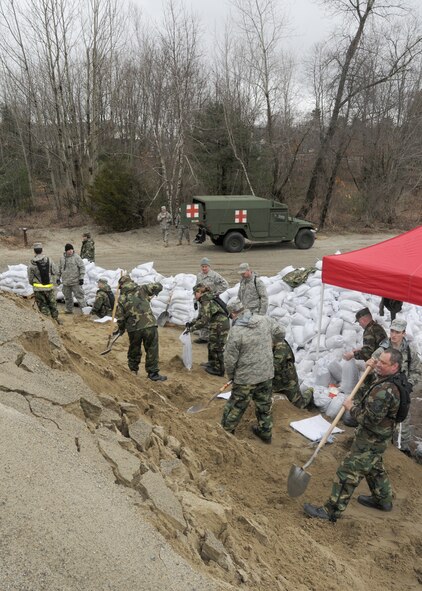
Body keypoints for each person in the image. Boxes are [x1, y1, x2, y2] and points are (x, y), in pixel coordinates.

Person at [304, 348, 408, 521]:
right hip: (380, 436)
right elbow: (369, 393)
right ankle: (383, 500)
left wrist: (351, 407)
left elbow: (369, 419)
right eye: (379, 360)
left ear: (394, 366)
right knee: (374, 467)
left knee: (347, 471)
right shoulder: (390, 380)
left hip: (372, 438)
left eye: (383, 363)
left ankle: (331, 511)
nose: (378, 364)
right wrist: (370, 372)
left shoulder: (386, 390)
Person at [221, 298, 284, 443]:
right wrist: (273, 342)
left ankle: (225, 435)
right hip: (266, 374)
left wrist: (231, 376)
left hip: (245, 378)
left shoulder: (236, 332)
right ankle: (265, 432)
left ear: (232, 314)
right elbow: (281, 332)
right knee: (264, 404)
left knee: (236, 406)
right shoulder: (265, 320)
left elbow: (230, 359)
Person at [371, 318, 422, 455]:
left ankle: (401, 449)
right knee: (380, 417)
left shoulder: (410, 350)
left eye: (397, 332)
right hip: (384, 389)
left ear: (404, 333)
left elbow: (417, 371)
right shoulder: (384, 348)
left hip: (403, 391)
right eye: (392, 331)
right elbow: (374, 363)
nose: (393, 335)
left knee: (402, 420)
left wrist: (408, 385)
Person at [116, 275, 167, 381]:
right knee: (152, 348)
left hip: (133, 328)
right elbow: (159, 286)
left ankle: (133, 371)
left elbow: (120, 318)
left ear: (121, 286)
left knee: (134, 349)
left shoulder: (122, 298)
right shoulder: (143, 289)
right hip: (149, 325)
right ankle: (153, 374)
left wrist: (121, 329)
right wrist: (154, 292)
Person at [185, 283, 230, 376]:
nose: (194, 296)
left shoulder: (206, 300)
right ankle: (212, 363)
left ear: (199, 292)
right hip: (216, 324)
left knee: (217, 346)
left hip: (220, 325)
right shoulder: (204, 299)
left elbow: (204, 320)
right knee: (211, 344)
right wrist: (191, 323)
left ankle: (219, 370)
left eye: (195, 293)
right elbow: (200, 316)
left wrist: (192, 329)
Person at [272, 336, 314, 409]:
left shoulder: (281, 345)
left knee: (299, 405)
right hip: (273, 380)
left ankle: (310, 392)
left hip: (287, 380)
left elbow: (276, 365)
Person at [195, 257, 229, 344]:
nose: (204, 268)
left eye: (205, 266)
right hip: (202, 301)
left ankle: (212, 337)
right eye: (202, 266)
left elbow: (225, 284)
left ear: (209, 266)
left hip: (211, 302)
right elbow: (197, 288)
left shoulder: (214, 275)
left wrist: (215, 293)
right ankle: (203, 337)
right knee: (202, 317)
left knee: (211, 319)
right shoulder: (199, 276)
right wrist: (195, 299)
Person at [27, 242, 61, 324]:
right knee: (52, 304)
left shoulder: (31, 263)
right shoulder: (49, 260)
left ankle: (49, 323)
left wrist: (34, 284)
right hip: (49, 287)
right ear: (42, 250)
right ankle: (56, 321)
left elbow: (30, 278)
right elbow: (55, 271)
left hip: (38, 289)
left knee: (43, 306)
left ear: (34, 251)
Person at [57, 243, 86, 314]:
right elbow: (59, 269)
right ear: (66, 251)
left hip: (75, 282)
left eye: (71, 250)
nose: (70, 251)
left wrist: (81, 278)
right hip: (66, 283)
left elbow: (82, 267)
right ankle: (69, 310)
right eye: (68, 250)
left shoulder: (77, 257)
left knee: (80, 297)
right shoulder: (62, 258)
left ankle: (85, 312)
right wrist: (58, 278)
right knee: (67, 298)